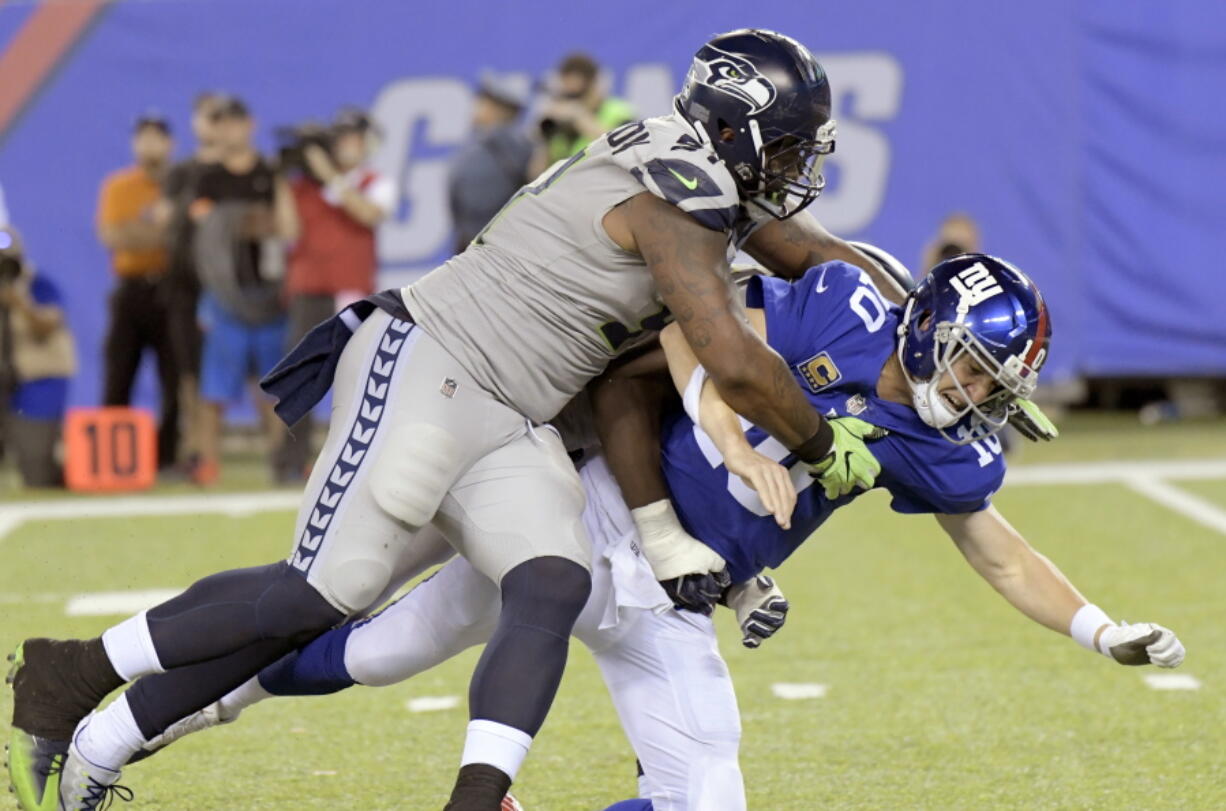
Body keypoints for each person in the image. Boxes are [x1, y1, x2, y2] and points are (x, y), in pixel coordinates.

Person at [8, 30, 902, 811]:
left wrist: (925, 305)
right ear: (737, 128)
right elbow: (734, 357)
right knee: (315, 598)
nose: (796, 169)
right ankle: (71, 670)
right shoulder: (676, 191)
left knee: (552, 579)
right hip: (431, 365)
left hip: (513, 415)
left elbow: (819, 252)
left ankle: (472, 799)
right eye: (786, 147)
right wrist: (825, 446)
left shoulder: (710, 181)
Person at [112, 253, 1185, 811]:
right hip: (590, 511)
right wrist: (727, 427)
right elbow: (697, 325)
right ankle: (204, 699)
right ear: (925, 329)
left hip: (677, 595)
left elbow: (996, 548)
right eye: (969, 368)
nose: (973, 393)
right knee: (383, 647)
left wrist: (1097, 628)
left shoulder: (940, 439)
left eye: (991, 382)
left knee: (707, 798)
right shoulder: (842, 309)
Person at [274, 107, 396, 482]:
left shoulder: (375, 181)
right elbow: (288, 231)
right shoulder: (304, 187)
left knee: (356, 377)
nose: (345, 145)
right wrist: (281, 180)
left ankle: (355, 457)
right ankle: (290, 461)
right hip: (310, 290)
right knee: (302, 379)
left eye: (352, 137)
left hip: (351, 290)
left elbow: (368, 214)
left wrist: (329, 175)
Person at [189, 95, 296, 485]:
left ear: (250, 124)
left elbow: (284, 229)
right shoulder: (208, 177)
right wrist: (248, 221)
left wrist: (246, 216)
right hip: (224, 296)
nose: (229, 129)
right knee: (214, 388)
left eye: (235, 121)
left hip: (267, 295)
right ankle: (208, 463)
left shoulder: (270, 174)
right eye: (222, 123)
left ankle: (280, 461)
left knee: (271, 387)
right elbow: (208, 229)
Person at [96, 113, 179, 469]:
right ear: (134, 143)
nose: (149, 144)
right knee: (119, 373)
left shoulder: (181, 183)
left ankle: (165, 458)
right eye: (143, 137)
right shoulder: (119, 185)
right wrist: (162, 233)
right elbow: (113, 236)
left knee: (174, 377)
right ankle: (110, 458)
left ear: (169, 143)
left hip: (173, 289)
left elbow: (183, 241)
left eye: (156, 137)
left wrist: (140, 232)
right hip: (131, 290)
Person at [157, 92, 224, 478]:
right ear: (196, 123)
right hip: (187, 282)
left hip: (230, 287)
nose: (213, 125)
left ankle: (281, 456)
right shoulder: (183, 173)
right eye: (207, 117)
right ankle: (196, 450)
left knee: (246, 371)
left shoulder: (240, 170)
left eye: (220, 118)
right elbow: (167, 219)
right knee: (189, 371)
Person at [0, 226, 76, 488]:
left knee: (37, 471)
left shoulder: (38, 285)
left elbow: (48, 325)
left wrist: (20, 304)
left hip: (37, 378)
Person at [447, 73, 534, 252]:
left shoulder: (514, 145)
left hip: (502, 248)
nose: (476, 108)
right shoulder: (477, 146)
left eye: (483, 103)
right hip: (475, 247)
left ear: (499, 110)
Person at [527, 51, 636, 179]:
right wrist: (544, 139)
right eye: (567, 95)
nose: (572, 101)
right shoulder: (559, 124)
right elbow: (535, 177)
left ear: (596, 86)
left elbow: (628, 152)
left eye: (577, 95)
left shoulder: (619, 111)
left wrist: (580, 117)